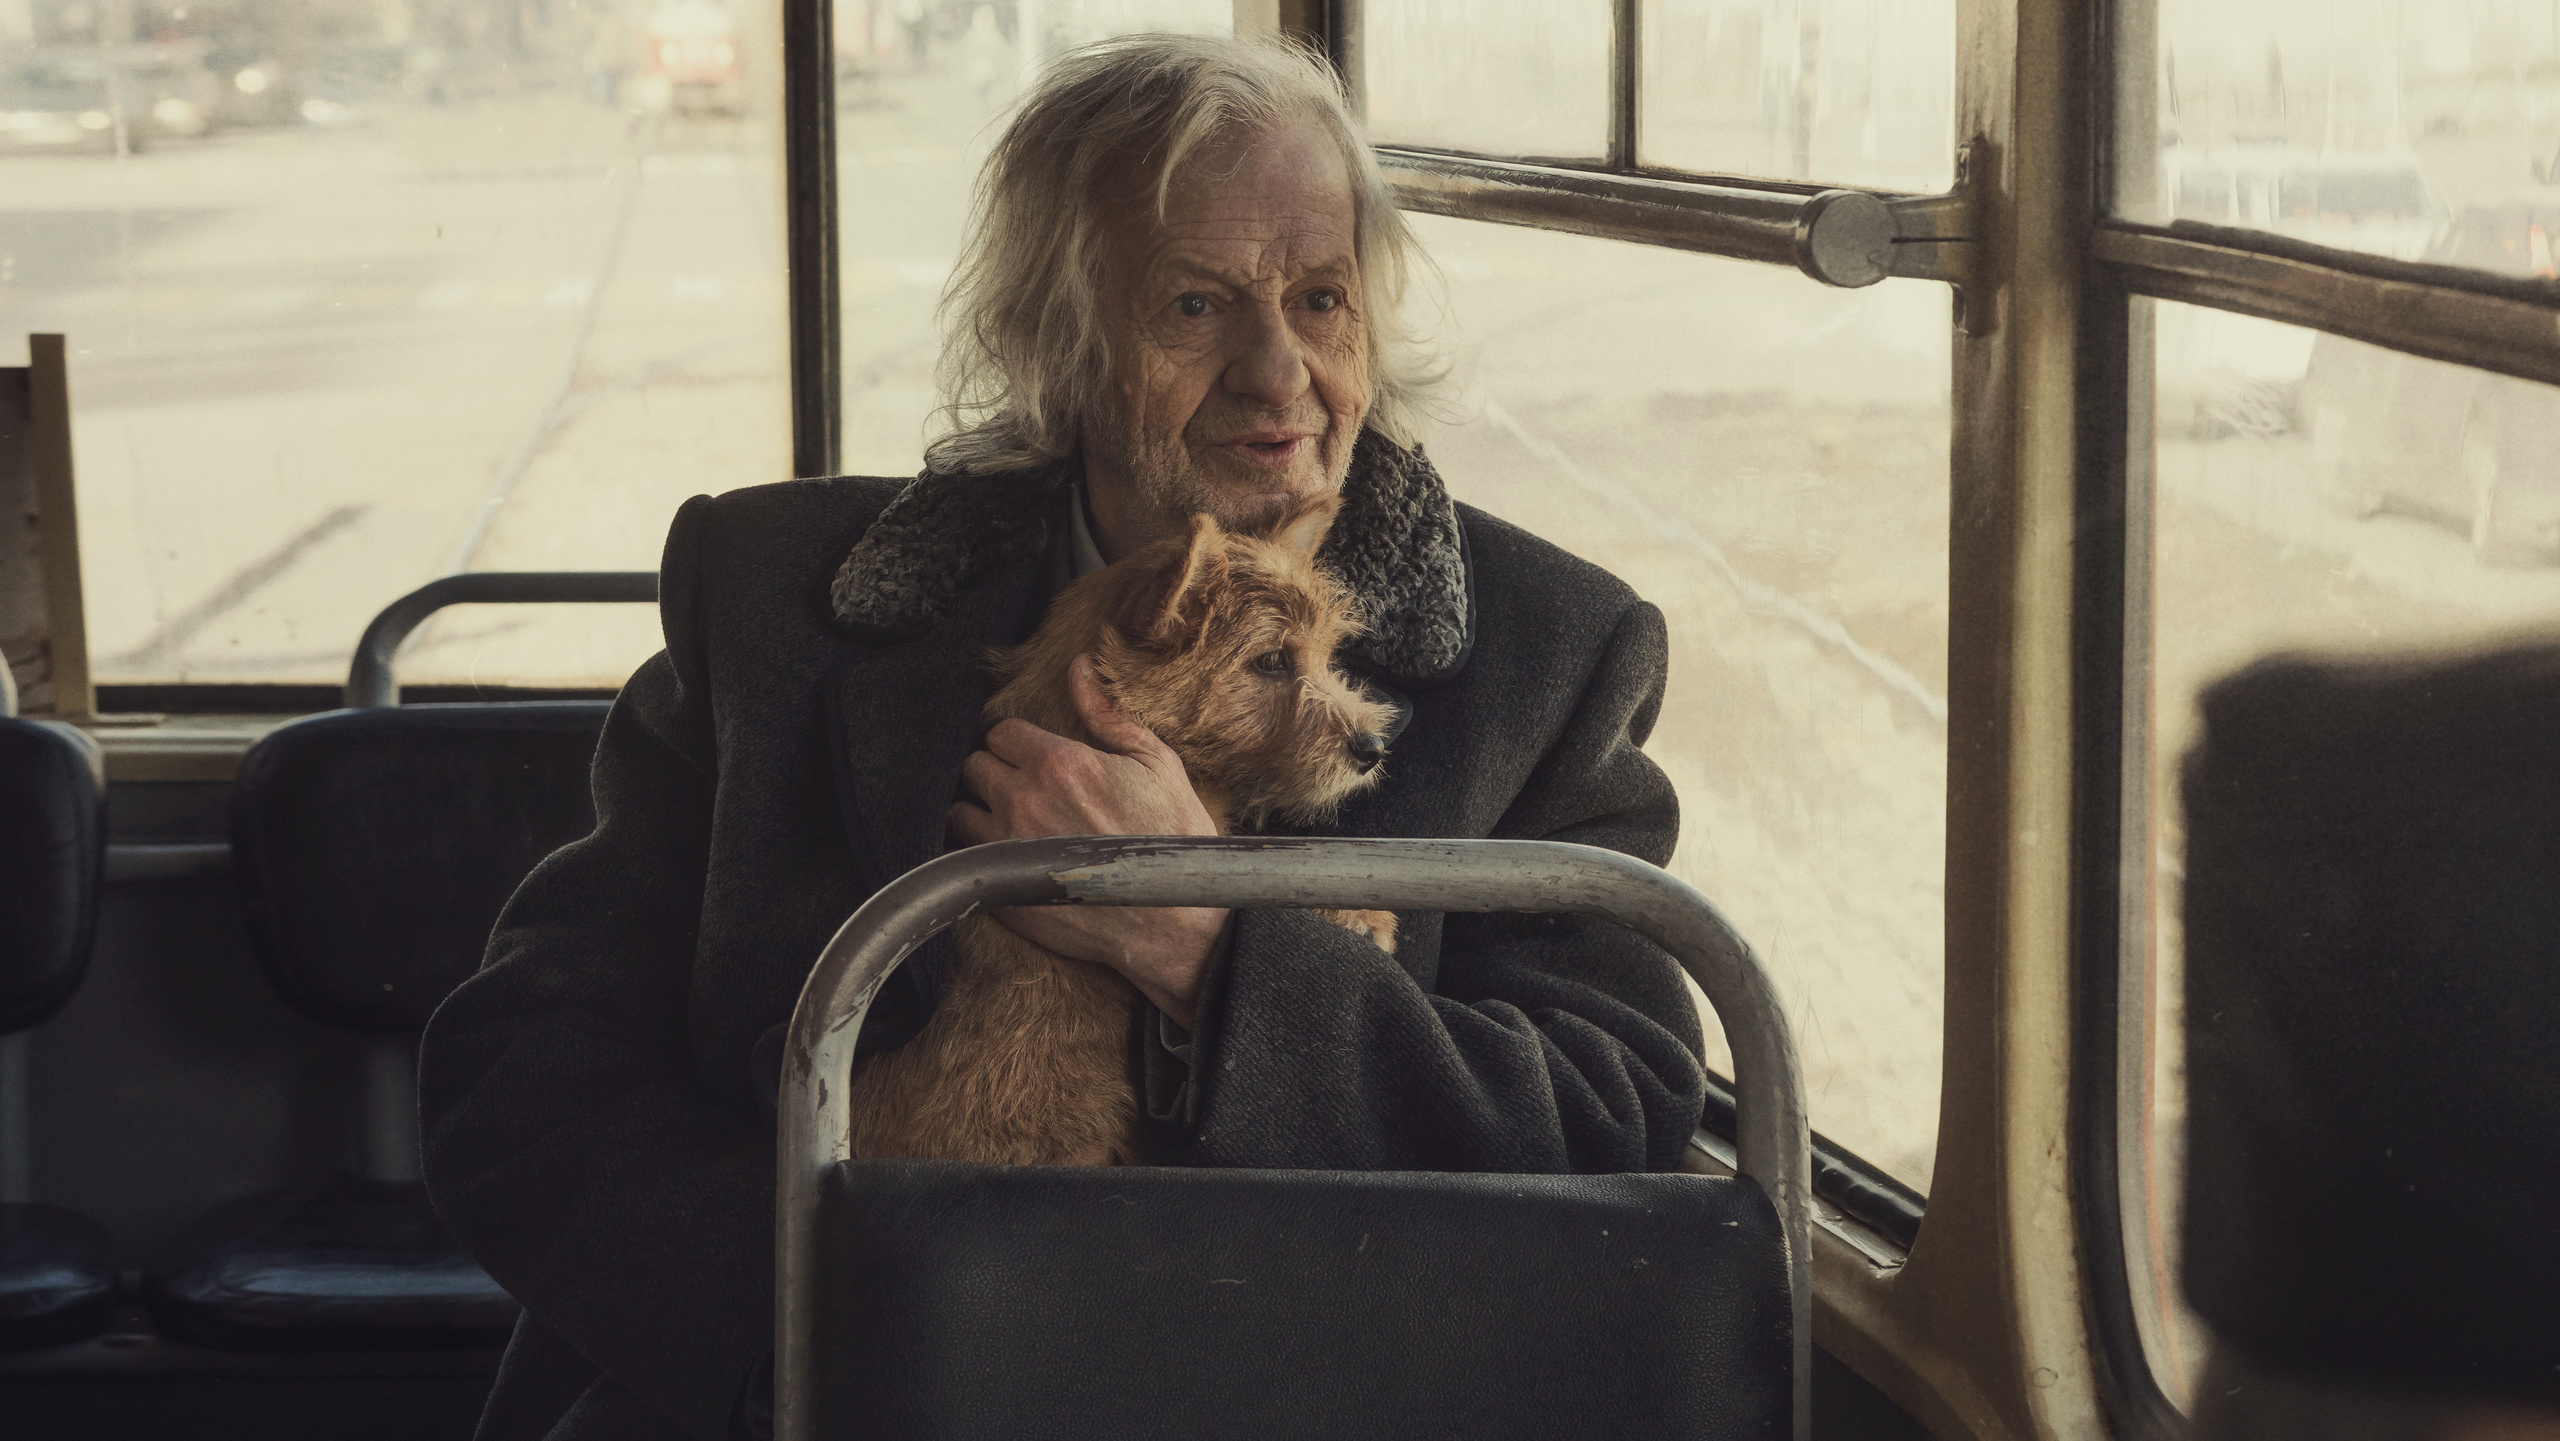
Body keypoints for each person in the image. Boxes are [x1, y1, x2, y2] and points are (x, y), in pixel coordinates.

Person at [420, 33, 1709, 1441]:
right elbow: (525, 1068)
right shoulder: (774, 600)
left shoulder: (1554, 655)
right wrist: (835, 1334)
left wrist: (1210, 944)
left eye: (1323, 298)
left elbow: (1608, 1112)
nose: (1279, 373)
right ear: (1060, 344)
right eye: (1197, 303)